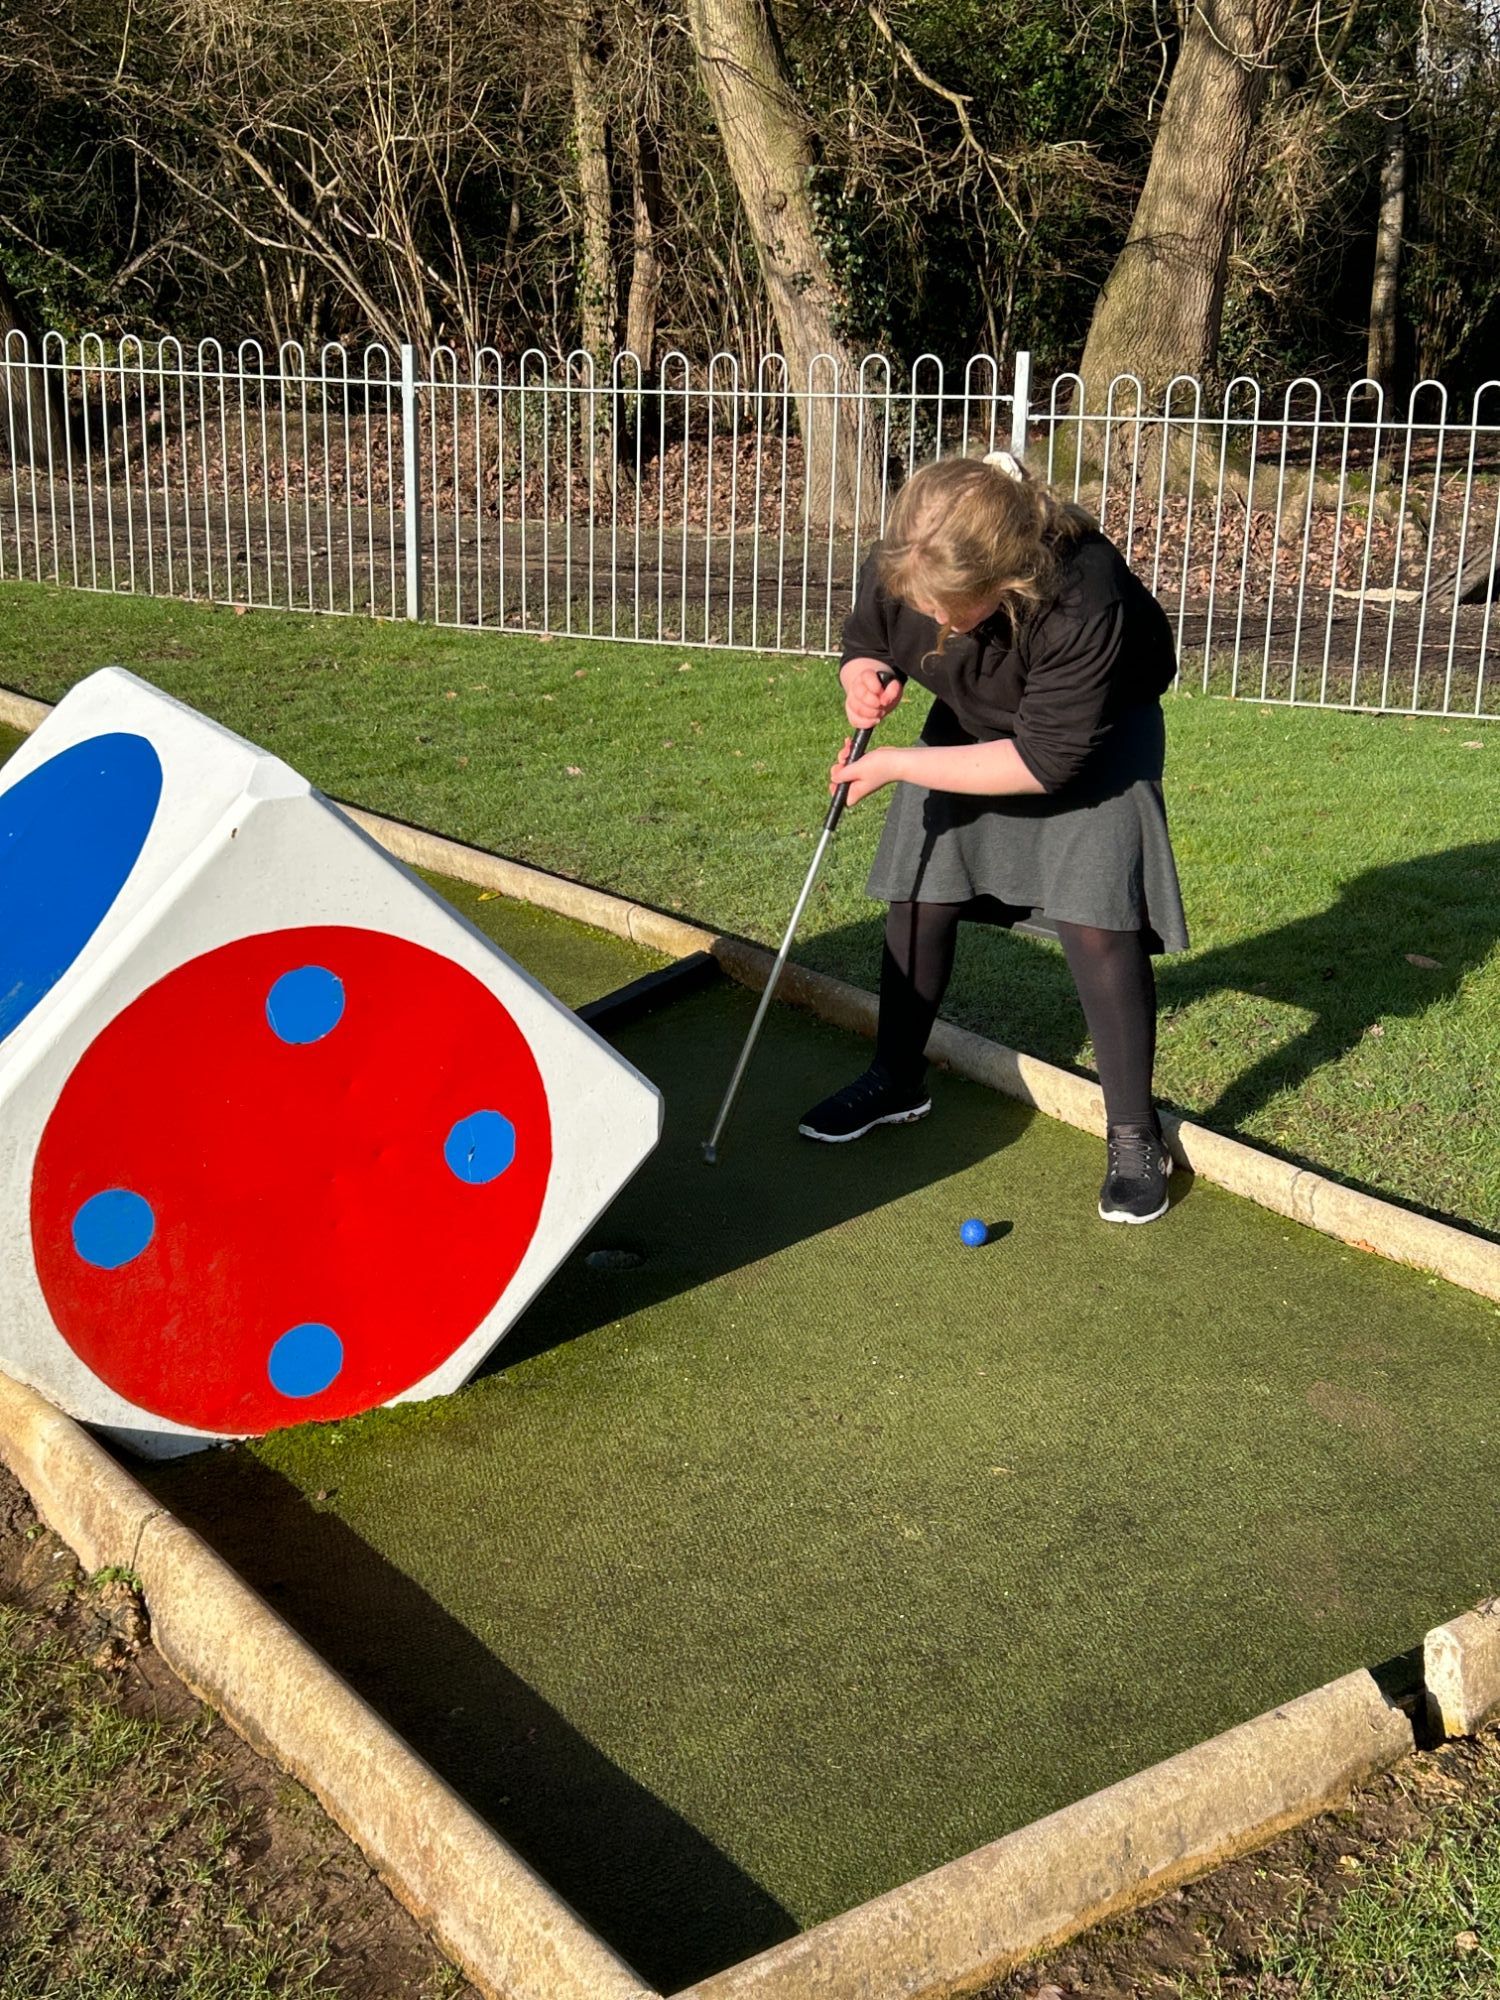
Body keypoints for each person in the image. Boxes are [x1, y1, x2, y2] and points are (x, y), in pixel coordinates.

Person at [798, 449, 1188, 1224]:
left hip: (1094, 742)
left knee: (1097, 919)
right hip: (976, 723)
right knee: (919, 889)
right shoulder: (919, 546)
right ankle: (896, 1079)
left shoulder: (1084, 594)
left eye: (954, 609)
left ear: (1007, 576)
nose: (936, 622)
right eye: (925, 603)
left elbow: (1048, 760)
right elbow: (871, 634)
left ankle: (1136, 1136)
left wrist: (907, 763)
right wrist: (864, 676)